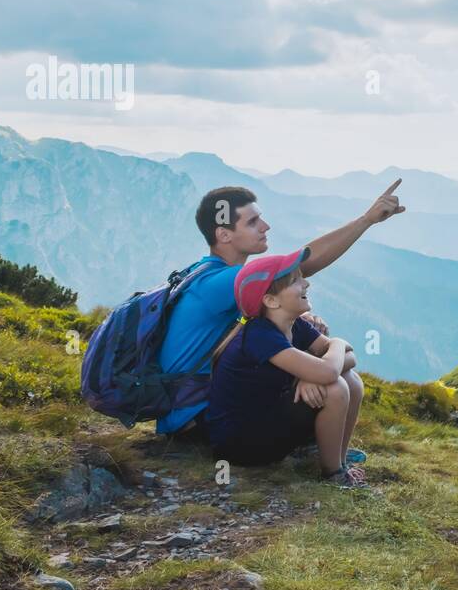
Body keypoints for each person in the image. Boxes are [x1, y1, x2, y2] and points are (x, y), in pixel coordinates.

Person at [155, 181, 404, 438]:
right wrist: (366, 220)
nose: (265, 227)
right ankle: (327, 461)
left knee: (340, 373)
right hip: (196, 418)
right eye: (252, 222)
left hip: (195, 408)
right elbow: (303, 264)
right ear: (224, 235)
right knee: (333, 379)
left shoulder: (206, 273)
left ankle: (329, 448)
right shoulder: (221, 282)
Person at [205, 250, 365, 486]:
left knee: (352, 380)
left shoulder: (295, 324)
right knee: (336, 386)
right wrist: (338, 344)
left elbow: (349, 360)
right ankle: (334, 475)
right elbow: (331, 370)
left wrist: (312, 373)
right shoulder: (259, 334)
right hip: (241, 445)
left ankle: (339, 461)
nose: (306, 283)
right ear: (271, 300)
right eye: (295, 281)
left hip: (267, 420)